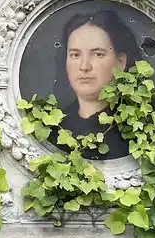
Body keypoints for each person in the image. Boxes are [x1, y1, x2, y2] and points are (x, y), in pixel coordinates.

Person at [52, 9, 141, 160]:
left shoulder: (138, 127)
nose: (84, 66)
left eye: (97, 54)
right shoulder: (54, 128)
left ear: (120, 62)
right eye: (75, 55)